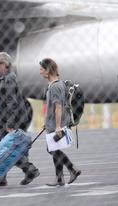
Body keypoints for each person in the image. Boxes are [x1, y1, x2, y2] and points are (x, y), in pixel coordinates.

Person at [0, 52, 40, 187]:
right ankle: (6, 176)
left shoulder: (9, 80)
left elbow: (12, 103)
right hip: (5, 120)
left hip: (7, 122)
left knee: (1, 149)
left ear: (4, 64)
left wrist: (9, 124)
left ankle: (25, 171)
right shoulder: (5, 79)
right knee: (4, 149)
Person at [39, 58, 81, 187]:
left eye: (41, 69)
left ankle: (72, 169)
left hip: (58, 124)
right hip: (53, 123)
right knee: (53, 148)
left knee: (52, 149)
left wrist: (57, 126)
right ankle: (60, 178)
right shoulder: (55, 85)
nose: (40, 72)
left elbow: (58, 107)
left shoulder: (56, 87)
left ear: (48, 70)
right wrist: (47, 122)